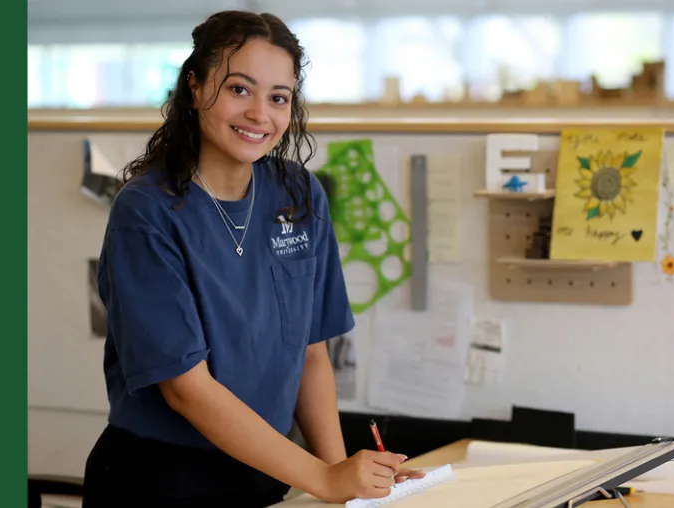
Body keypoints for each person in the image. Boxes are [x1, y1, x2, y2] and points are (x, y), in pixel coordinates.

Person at [81, 10, 424, 507]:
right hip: (161, 481)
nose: (260, 114)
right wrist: (324, 478)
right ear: (195, 89)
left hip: (267, 472)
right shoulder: (147, 211)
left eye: (278, 97)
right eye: (239, 89)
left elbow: (311, 353)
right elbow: (186, 389)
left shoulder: (298, 193)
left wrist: (346, 488)